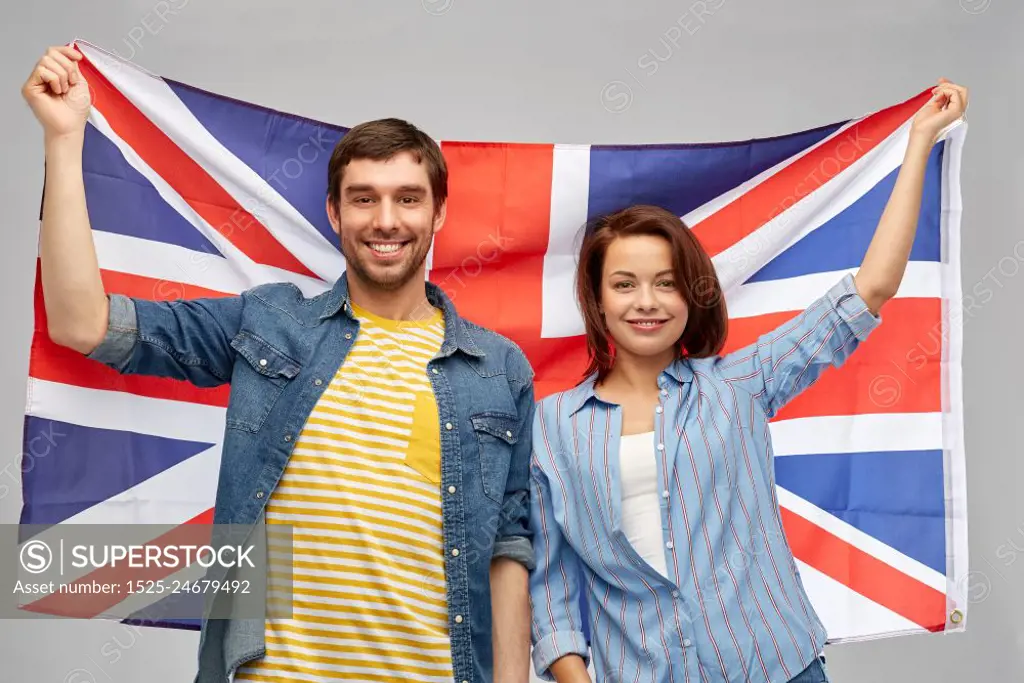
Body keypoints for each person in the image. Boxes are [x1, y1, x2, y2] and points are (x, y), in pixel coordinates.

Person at [22, 45, 536, 683]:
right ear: (334, 212)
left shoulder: (498, 367)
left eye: (408, 199)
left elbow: (508, 548)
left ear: (439, 214)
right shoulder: (269, 323)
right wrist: (64, 139)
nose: (385, 220)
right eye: (363, 199)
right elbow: (83, 324)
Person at [527, 79, 968, 683]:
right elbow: (550, 593)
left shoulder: (738, 385)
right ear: (597, 301)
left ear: (689, 293)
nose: (646, 302)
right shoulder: (551, 428)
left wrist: (917, 142)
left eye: (665, 282)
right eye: (624, 284)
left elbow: (869, 290)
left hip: (778, 668)